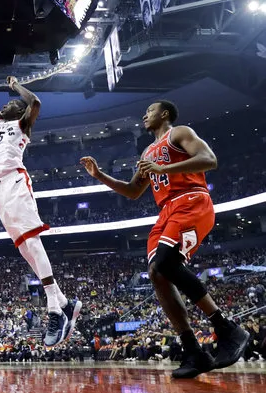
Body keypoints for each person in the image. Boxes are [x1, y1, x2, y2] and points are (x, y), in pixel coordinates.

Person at [80, 100, 249, 378]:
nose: (145, 114)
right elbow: (134, 190)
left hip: (191, 200)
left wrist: (163, 170)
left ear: (165, 114)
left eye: (150, 110)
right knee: (156, 273)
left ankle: (227, 329)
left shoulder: (179, 133)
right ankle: (194, 351)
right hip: (166, 212)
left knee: (166, 262)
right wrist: (99, 175)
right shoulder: (147, 151)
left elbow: (210, 159)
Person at [0, 37, 81, 347]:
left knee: (32, 239)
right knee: (23, 247)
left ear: (18, 109)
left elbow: (36, 103)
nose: (4, 104)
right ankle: (65, 302)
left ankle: (55, 309)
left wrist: (17, 86)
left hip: (15, 182)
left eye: (10, 103)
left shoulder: (22, 124)